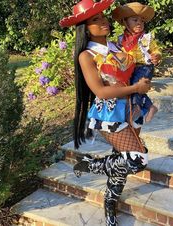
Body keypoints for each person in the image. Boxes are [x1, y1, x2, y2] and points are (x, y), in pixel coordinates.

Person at [59, 1, 151, 225]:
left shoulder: (118, 46)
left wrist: (148, 64)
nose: (103, 22)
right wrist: (135, 88)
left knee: (122, 160)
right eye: (95, 20)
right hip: (109, 114)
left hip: (132, 108)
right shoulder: (87, 56)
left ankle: (110, 203)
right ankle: (90, 165)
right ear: (84, 28)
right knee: (137, 160)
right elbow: (101, 90)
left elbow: (134, 67)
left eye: (103, 17)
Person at [112, 2, 162, 123]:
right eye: (135, 20)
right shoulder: (121, 39)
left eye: (142, 21)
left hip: (144, 67)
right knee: (131, 88)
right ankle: (150, 107)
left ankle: (136, 109)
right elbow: (117, 53)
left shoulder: (146, 38)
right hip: (129, 68)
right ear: (125, 22)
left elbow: (156, 50)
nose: (139, 23)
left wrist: (157, 56)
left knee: (136, 86)